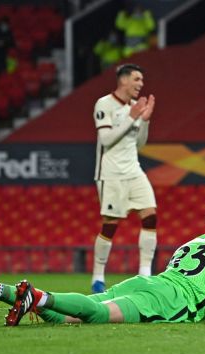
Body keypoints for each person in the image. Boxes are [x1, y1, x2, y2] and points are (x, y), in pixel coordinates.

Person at [0, 201, 205, 326]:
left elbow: (204, 306)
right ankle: (37, 297)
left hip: (148, 283)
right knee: (95, 316)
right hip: (169, 300)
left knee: (69, 318)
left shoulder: (194, 241)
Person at [91, 63, 157, 294]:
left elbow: (139, 143)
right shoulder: (104, 104)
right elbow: (107, 139)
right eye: (137, 79)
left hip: (134, 170)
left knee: (150, 216)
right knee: (111, 224)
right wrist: (131, 117)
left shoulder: (134, 107)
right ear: (124, 80)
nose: (141, 84)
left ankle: (145, 274)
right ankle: (98, 277)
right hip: (110, 173)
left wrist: (145, 120)